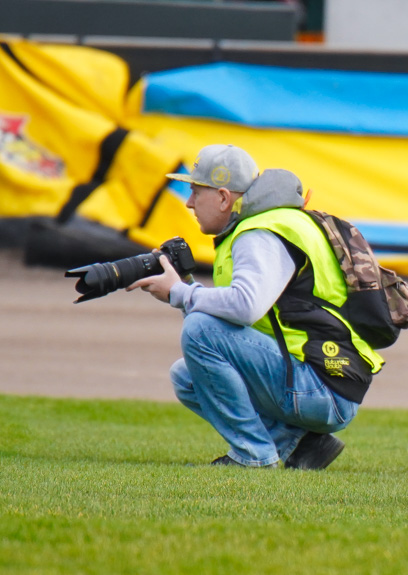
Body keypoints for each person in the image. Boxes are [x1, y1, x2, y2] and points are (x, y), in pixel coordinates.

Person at [127, 144, 384, 468]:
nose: (189, 203)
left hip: (321, 386)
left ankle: (253, 457)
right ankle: (300, 445)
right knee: (188, 375)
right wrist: (186, 289)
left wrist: (181, 293)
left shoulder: (259, 232)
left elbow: (245, 307)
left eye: (195, 191)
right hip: (331, 380)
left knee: (200, 329)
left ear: (223, 197)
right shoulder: (275, 222)